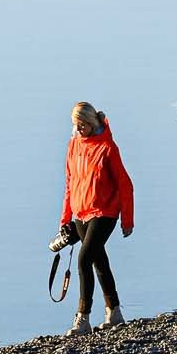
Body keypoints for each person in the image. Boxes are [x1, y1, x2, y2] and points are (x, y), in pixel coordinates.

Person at [56, 101, 134, 334]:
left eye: (82, 125)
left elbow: (125, 185)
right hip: (80, 213)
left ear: (92, 123)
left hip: (105, 212)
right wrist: (65, 219)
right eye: (75, 125)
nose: (78, 129)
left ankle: (83, 319)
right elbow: (69, 185)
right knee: (99, 261)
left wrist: (127, 220)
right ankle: (115, 312)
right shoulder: (73, 146)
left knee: (83, 260)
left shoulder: (108, 148)